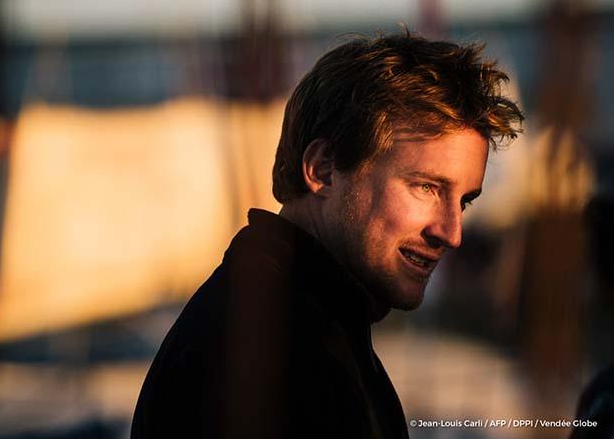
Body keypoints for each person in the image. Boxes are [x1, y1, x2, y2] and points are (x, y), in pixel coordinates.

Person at [131, 31, 523, 439]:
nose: (451, 233)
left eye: (463, 201)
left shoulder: (308, 328)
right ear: (322, 170)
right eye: (426, 187)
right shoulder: (263, 356)